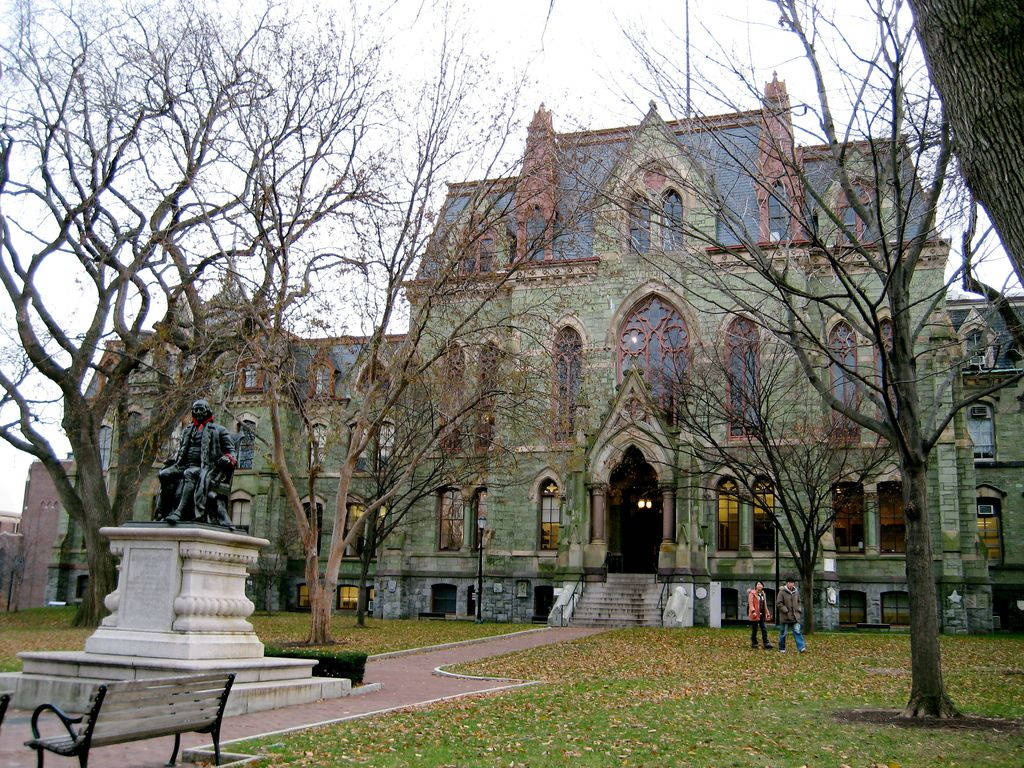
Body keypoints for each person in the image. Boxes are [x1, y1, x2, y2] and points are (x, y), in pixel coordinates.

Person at [157, 399, 237, 526]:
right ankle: (163, 512)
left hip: (206, 467)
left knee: (190, 473)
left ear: (207, 411)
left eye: (201, 409)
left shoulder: (218, 430)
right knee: (164, 474)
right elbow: (182, 451)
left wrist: (228, 458)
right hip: (182, 465)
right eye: (196, 409)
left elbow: (231, 452)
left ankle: (179, 512)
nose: (198, 412)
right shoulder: (187, 430)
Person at [775, 576, 806, 653]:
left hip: (795, 616)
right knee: (783, 633)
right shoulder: (782, 592)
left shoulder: (796, 592)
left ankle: (801, 648)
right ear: (787, 583)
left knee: (797, 631)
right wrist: (785, 610)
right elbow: (779, 603)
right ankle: (782, 648)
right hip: (785, 616)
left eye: (792, 583)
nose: (790, 584)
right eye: (789, 582)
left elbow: (799, 601)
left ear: (794, 584)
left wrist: (799, 609)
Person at [746, 581, 773, 649]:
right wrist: (753, 611)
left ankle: (766, 643)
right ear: (755, 586)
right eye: (758, 584)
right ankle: (754, 643)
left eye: (761, 584)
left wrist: (767, 613)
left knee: (764, 628)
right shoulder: (752, 593)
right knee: (755, 629)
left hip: (762, 614)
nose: (759, 585)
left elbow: (765, 604)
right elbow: (751, 603)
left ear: (762, 586)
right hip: (755, 614)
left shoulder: (763, 594)